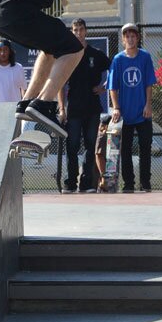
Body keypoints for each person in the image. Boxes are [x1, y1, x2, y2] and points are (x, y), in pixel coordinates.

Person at [0, 0, 123, 138]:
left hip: (2, 14)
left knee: (51, 50)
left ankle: (27, 103)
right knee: (75, 48)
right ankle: (44, 103)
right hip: (15, 10)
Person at [59, 18, 111, 193]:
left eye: (81, 29)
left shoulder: (95, 54)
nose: (78, 33)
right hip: (73, 108)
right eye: (75, 30)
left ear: (86, 31)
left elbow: (114, 69)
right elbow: (59, 82)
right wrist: (62, 108)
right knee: (72, 146)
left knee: (90, 146)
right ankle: (70, 183)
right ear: (72, 32)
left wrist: (104, 87)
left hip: (92, 108)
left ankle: (87, 183)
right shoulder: (67, 55)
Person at [107, 23, 156, 193]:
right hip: (125, 114)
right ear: (123, 39)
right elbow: (112, 86)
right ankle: (128, 183)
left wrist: (148, 104)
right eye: (127, 36)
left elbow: (149, 83)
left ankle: (145, 182)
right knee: (125, 150)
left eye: (133, 36)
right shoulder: (118, 60)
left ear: (138, 38)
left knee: (145, 148)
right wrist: (116, 108)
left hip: (143, 113)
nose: (130, 39)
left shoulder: (145, 57)